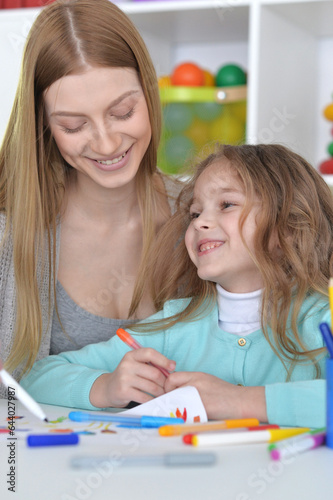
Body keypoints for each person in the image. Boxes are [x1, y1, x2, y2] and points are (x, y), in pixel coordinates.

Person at [21, 143, 333, 428]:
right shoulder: (174, 326)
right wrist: (106, 386)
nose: (199, 222)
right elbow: (36, 377)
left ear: (289, 227)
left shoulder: (323, 320)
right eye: (195, 212)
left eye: (226, 205)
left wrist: (237, 401)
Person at [0, 0, 181, 398]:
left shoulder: (203, 213)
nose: (106, 142)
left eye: (122, 111)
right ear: (43, 126)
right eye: (73, 124)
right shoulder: (10, 232)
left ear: (149, 94)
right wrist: (99, 387)